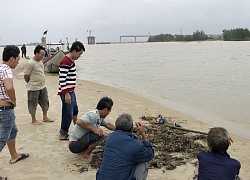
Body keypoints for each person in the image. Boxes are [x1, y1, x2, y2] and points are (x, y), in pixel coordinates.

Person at [0, 45, 29, 178]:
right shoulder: (6, 70)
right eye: (17, 59)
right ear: (11, 58)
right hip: (5, 109)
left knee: (13, 130)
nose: (18, 62)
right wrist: (14, 99)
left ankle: (14, 155)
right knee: (1, 140)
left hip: (2, 108)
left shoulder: (0, 68)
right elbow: (9, 87)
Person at [96, 113, 154, 180]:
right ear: (132, 128)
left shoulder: (110, 138)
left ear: (116, 126)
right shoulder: (135, 145)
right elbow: (150, 155)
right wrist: (143, 134)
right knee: (144, 161)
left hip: (101, 178)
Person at [69, 97, 116, 162]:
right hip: (73, 145)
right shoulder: (93, 115)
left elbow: (108, 125)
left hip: (79, 142)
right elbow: (79, 122)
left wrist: (122, 129)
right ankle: (85, 156)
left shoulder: (99, 116)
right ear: (105, 110)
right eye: (109, 111)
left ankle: (85, 151)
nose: (108, 114)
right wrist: (93, 129)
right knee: (99, 134)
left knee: (98, 132)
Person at [58, 41, 85, 140]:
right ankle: (63, 133)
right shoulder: (65, 61)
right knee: (67, 113)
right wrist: (66, 94)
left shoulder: (71, 60)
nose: (79, 56)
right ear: (74, 51)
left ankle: (76, 128)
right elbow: (61, 79)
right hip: (66, 92)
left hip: (71, 91)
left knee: (75, 110)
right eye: (79, 54)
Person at [24, 45, 53, 125]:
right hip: (33, 87)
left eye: (44, 54)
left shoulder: (40, 61)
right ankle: (33, 120)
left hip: (42, 86)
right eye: (41, 54)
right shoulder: (30, 63)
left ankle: (45, 117)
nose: (43, 56)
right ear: (36, 53)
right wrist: (30, 82)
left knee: (45, 101)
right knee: (33, 103)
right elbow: (26, 75)